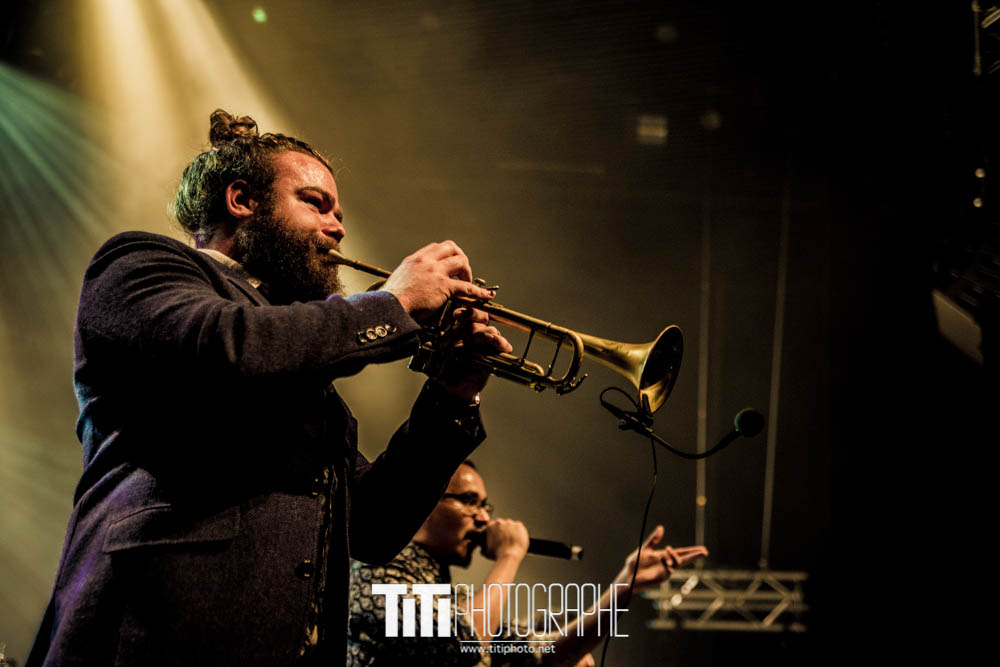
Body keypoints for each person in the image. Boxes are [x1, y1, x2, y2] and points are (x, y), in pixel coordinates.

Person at [26, 110, 514, 667]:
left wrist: (451, 395)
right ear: (241, 200)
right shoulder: (142, 263)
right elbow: (225, 344)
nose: (339, 228)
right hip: (151, 638)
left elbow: (373, 528)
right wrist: (394, 304)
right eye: (315, 202)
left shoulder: (302, 372)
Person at [347, 461, 708, 666]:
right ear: (421, 503)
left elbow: (541, 651)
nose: (483, 519)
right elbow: (464, 638)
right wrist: (509, 555)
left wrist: (624, 588)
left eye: (485, 506)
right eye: (469, 501)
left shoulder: (448, 598)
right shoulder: (376, 569)